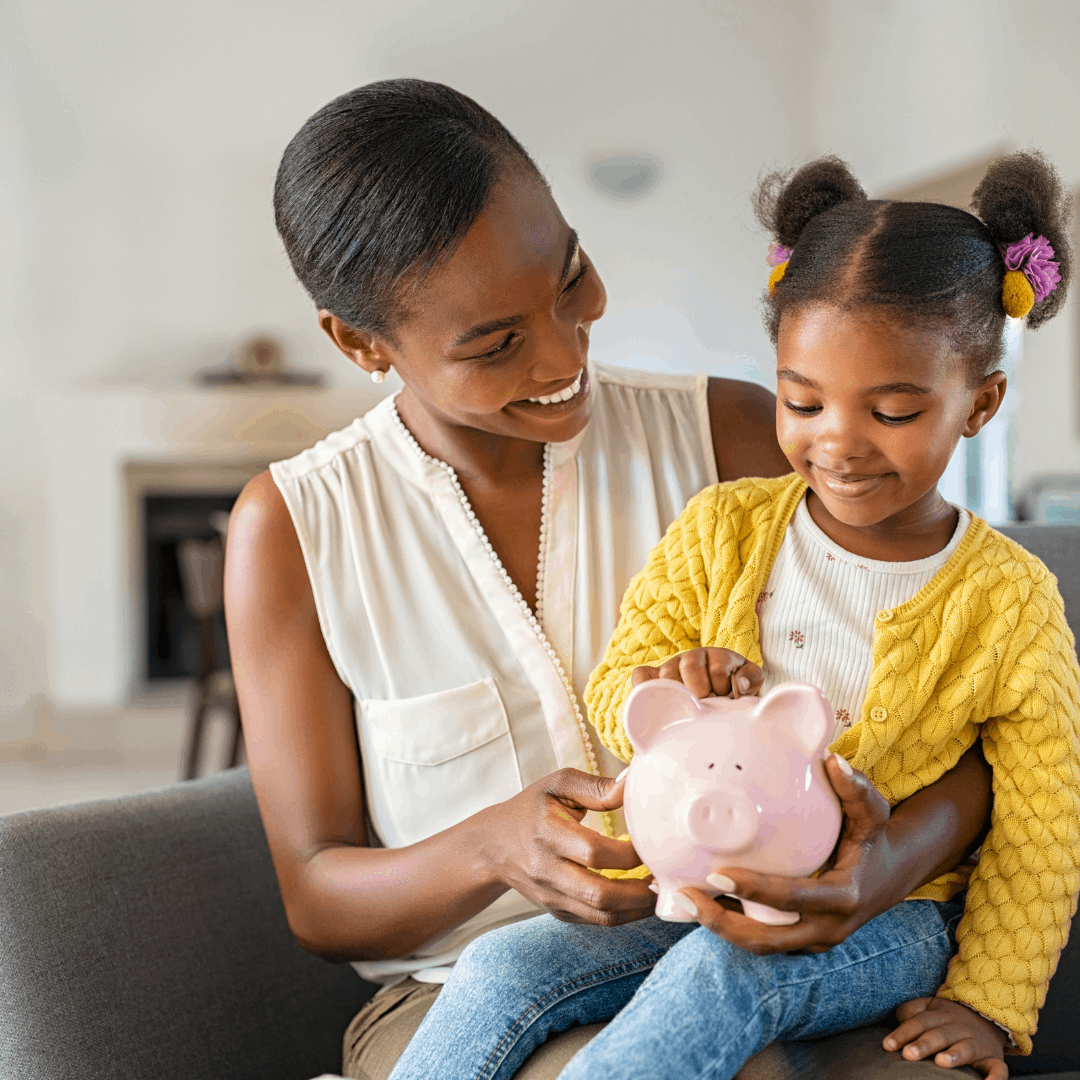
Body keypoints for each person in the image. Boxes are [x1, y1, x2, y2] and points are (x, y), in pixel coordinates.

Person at [224, 81, 993, 1080]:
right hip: (459, 998)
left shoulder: (739, 438)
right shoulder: (295, 527)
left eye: (570, 276)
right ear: (361, 344)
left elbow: (974, 713)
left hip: (752, 944)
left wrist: (883, 866)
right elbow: (318, 897)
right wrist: (491, 848)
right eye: (496, 344)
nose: (564, 350)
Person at [385, 152, 1080, 1080]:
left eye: (894, 411)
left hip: (893, 918)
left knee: (723, 976)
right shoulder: (725, 527)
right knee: (508, 964)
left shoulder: (1010, 598)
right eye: (803, 401)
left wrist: (987, 1004)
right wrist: (667, 682)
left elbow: (1045, 820)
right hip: (690, 881)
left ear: (978, 405)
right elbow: (617, 690)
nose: (838, 440)